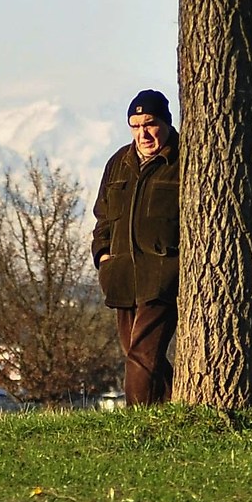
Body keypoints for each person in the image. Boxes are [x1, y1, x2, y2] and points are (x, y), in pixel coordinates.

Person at [91, 89, 180, 404]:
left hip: (163, 276)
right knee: (137, 353)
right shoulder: (118, 162)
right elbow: (102, 216)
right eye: (135, 125)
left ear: (166, 122)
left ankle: (138, 420)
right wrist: (103, 256)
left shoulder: (183, 161)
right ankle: (175, 405)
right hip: (122, 278)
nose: (143, 133)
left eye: (150, 124)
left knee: (142, 355)